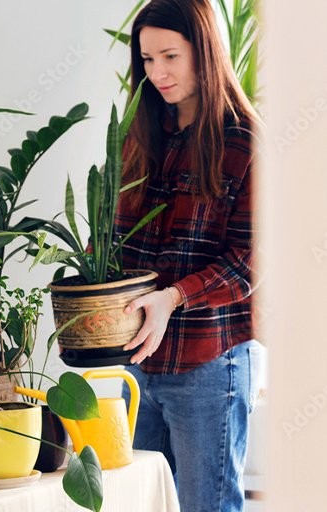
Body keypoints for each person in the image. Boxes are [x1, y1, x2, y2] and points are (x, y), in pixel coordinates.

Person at [116, 1, 260, 511]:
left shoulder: (244, 141)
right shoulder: (141, 135)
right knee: (140, 503)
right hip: (135, 361)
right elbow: (114, 237)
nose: (157, 73)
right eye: (148, 59)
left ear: (205, 51)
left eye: (170, 56)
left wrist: (173, 297)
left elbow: (251, 262)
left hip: (208, 364)